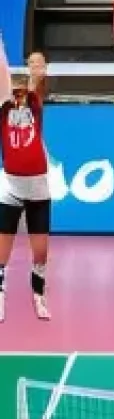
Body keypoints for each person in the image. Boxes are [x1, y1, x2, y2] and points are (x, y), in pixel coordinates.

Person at [0, 45, 50, 323]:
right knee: (2, 252)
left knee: (40, 252)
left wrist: (37, 68)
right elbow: (2, 75)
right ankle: (0, 294)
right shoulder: (3, 110)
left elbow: (37, 83)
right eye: (14, 91)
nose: (18, 94)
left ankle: (39, 296)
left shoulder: (35, 105)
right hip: (11, 187)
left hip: (38, 188)